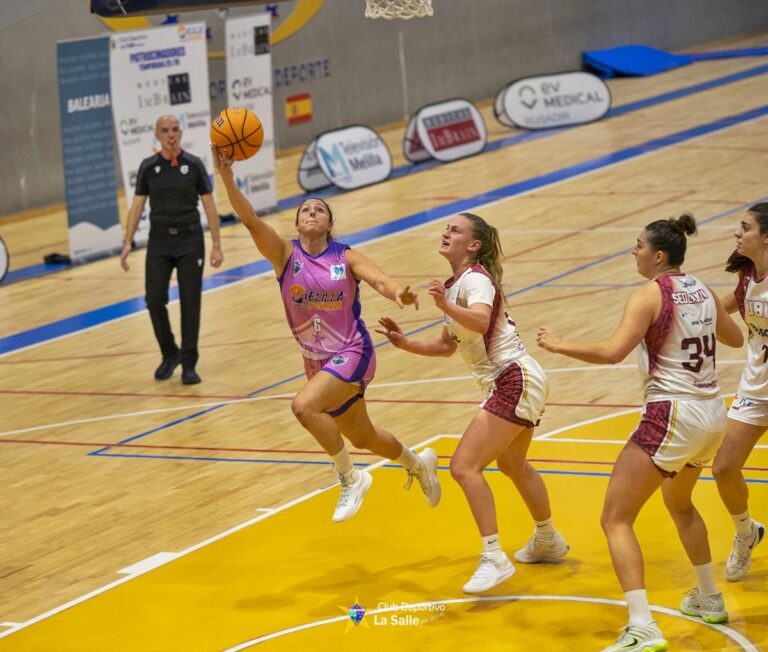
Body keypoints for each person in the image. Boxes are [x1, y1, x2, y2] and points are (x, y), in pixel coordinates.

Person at [537, 214, 743, 652]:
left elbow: (613, 352)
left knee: (615, 518)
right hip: (711, 414)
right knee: (680, 502)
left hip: (672, 412)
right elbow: (734, 340)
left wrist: (559, 345)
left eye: (638, 246)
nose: (634, 252)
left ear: (659, 255)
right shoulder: (703, 289)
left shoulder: (648, 295)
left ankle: (642, 626)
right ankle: (708, 596)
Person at [212, 147, 440, 522]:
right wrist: (226, 176)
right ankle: (418, 464)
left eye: (319, 209)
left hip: (353, 351)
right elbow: (250, 219)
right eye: (305, 210)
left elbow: (379, 278)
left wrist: (398, 292)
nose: (312, 213)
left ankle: (350, 478)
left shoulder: (344, 257)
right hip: (316, 360)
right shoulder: (285, 255)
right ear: (298, 224)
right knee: (363, 436)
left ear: (329, 224)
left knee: (303, 407)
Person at [376, 212, 568, 594]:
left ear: (474, 245)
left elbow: (479, 322)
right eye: (446, 228)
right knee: (513, 464)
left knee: (464, 467)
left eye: (455, 230)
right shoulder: (457, 285)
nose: (446, 233)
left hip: (513, 377)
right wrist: (406, 342)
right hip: (519, 379)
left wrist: (445, 307)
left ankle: (494, 556)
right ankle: (548, 538)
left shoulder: (476, 279)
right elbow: (449, 345)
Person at [120, 114, 224, 385]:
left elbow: (210, 205)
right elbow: (138, 205)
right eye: (165, 130)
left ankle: (189, 363)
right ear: (156, 134)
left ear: (181, 133)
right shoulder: (148, 167)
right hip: (159, 241)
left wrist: (216, 245)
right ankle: (170, 354)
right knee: (154, 299)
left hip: (190, 241)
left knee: (191, 301)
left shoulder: (194, 164)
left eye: (175, 129)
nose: (171, 134)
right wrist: (127, 242)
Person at [713, 202, 767, 581]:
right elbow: (721, 312)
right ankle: (746, 532)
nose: (738, 232)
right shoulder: (748, 275)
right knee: (723, 468)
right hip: (756, 388)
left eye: (745, 227)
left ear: (765, 237)